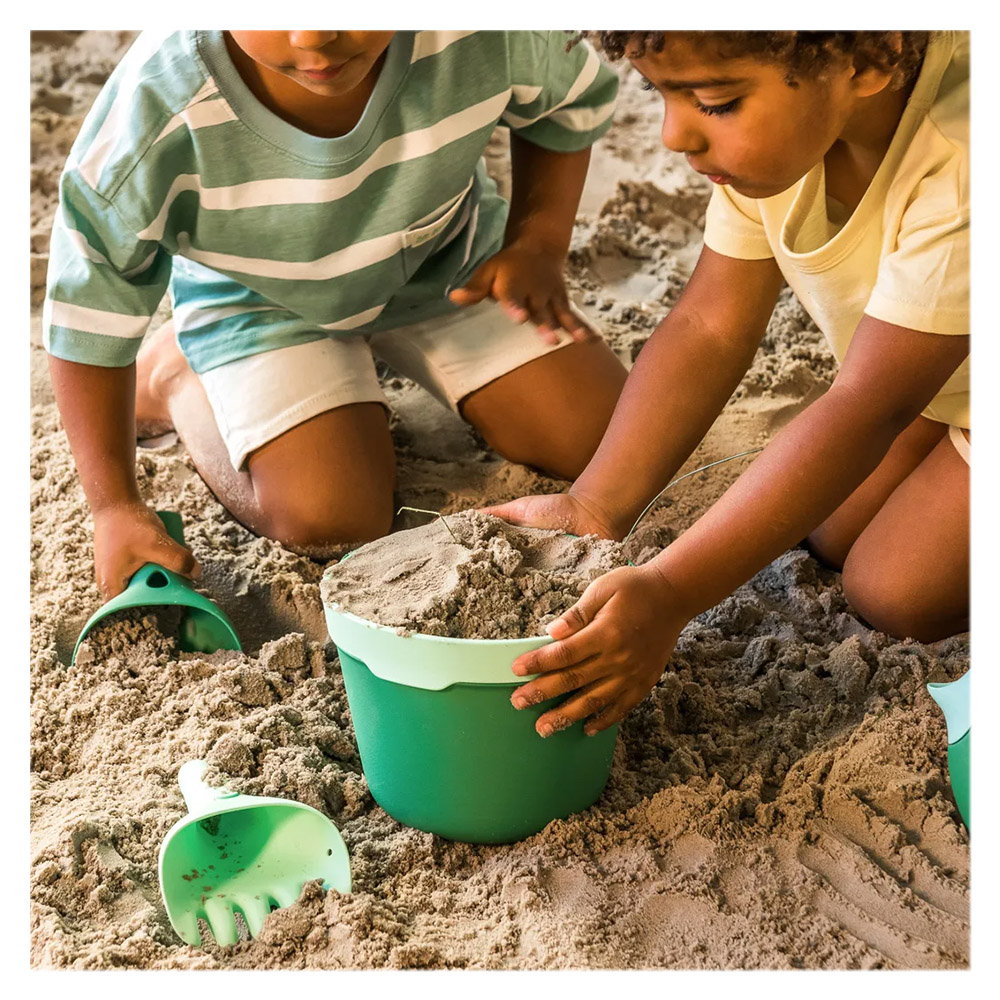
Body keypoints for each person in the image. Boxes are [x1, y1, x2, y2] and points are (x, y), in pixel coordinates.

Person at [487, 31, 969, 738]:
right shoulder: (789, 136)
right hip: (937, 374)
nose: (674, 135)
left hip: (916, 389)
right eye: (658, 91)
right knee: (828, 530)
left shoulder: (964, 162)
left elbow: (869, 406)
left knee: (894, 591)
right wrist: (595, 502)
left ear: (868, 61)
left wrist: (669, 591)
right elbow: (710, 326)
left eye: (715, 102)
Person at [45, 30, 627, 597]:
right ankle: (174, 374)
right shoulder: (155, 108)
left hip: (446, 261)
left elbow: (569, 103)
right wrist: (114, 505)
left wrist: (537, 243)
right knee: (330, 517)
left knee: (600, 438)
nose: (312, 36)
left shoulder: (484, 29)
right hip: (261, 298)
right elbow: (88, 306)